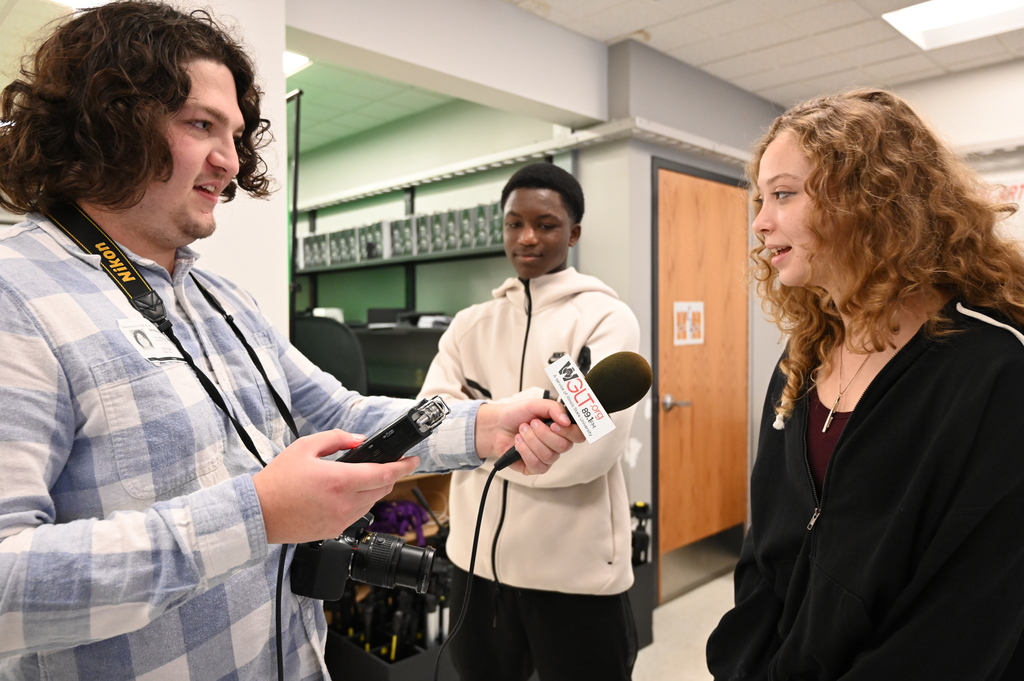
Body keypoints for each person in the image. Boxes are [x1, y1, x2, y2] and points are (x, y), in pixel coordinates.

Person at [0, 4, 583, 680]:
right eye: (200, 125)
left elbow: (338, 414)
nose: (229, 160)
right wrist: (258, 512)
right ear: (108, 122)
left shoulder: (221, 299)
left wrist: (483, 425)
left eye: (234, 133)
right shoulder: (18, 295)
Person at [705, 88, 1024, 680]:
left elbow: (971, 611)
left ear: (868, 199)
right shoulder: (803, 358)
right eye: (760, 199)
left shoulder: (993, 368)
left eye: (783, 194)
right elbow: (768, 547)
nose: (760, 222)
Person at [417, 162, 641, 681]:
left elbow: (592, 449)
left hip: (575, 575)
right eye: (514, 223)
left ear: (574, 233)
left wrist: (478, 434)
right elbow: (431, 422)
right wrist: (524, 435)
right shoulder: (470, 325)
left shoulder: (604, 319)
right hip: (475, 566)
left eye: (546, 224)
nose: (527, 238)